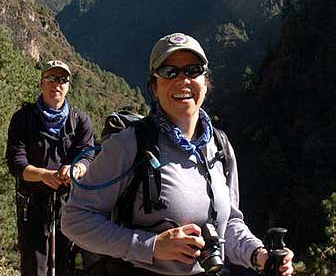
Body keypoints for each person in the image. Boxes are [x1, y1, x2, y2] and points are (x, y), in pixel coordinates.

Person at [61, 33, 294, 276]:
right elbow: (75, 219)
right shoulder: (129, 145)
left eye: (193, 70)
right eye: (169, 71)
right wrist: (150, 246)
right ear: (154, 85)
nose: (183, 80)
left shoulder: (220, 146)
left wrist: (259, 255)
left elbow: (230, 225)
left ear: (205, 82)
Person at [7, 60, 95, 276]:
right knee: (34, 265)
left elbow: (88, 156)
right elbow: (16, 163)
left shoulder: (79, 120)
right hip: (33, 203)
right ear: (41, 83)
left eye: (63, 79)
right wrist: (44, 175)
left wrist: (75, 170)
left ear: (68, 86)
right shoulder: (23, 119)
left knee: (65, 263)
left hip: (68, 203)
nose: (57, 84)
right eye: (51, 78)